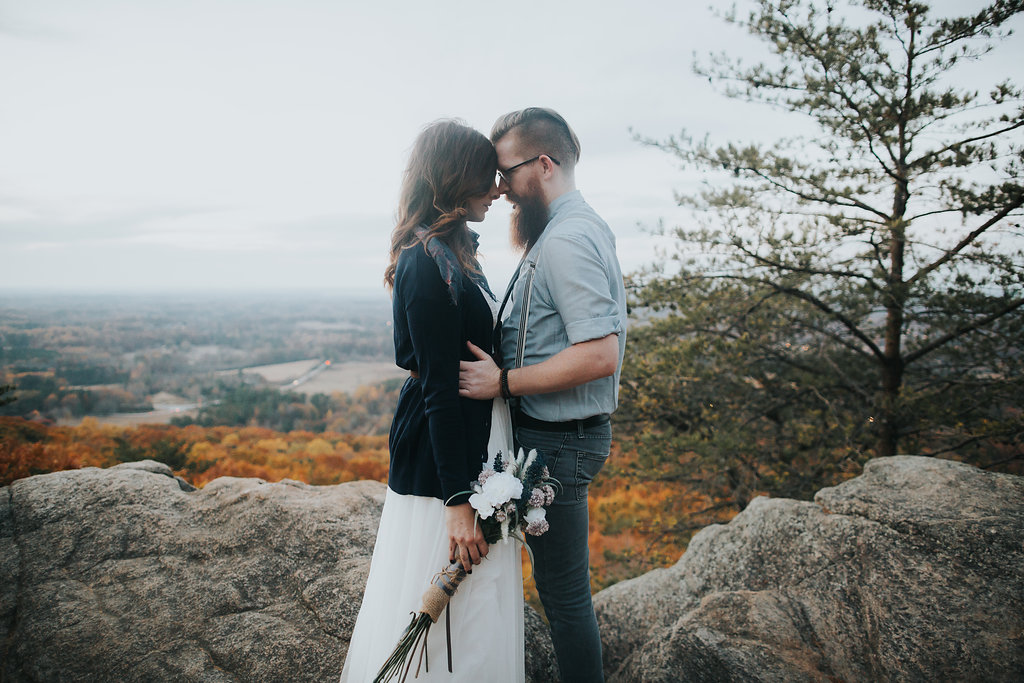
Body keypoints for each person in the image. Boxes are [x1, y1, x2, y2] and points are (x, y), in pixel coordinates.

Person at [340, 119, 525, 683]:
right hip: (445, 460)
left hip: (477, 440)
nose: (498, 190)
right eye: (486, 178)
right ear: (453, 177)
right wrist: (458, 500)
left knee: (478, 602)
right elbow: (439, 389)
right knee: (448, 597)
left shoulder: (455, 251)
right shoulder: (426, 261)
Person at [458, 107, 627, 683]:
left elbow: (599, 353)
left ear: (545, 164)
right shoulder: (562, 231)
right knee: (559, 593)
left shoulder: (568, 238)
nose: (500, 187)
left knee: (564, 597)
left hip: (560, 443)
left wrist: (503, 383)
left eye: (507, 171)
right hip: (554, 439)